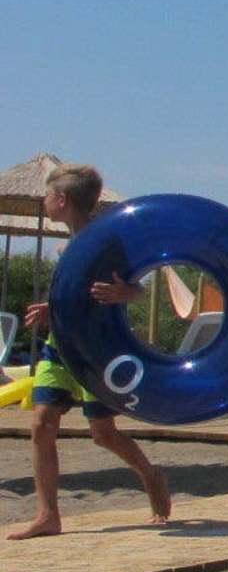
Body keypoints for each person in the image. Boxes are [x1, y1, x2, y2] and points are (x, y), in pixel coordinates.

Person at [8, 165, 172, 540]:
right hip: (59, 346)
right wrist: (52, 309)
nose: (43, 200)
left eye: (47, 195)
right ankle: (48, 515)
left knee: (102, 434)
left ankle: (150, 474)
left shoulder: (106, 242)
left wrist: (126, 293)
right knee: (41, 424)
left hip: (96, 350)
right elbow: (77, 294)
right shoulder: (69, 245)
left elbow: (140, 288)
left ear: (61, 200)